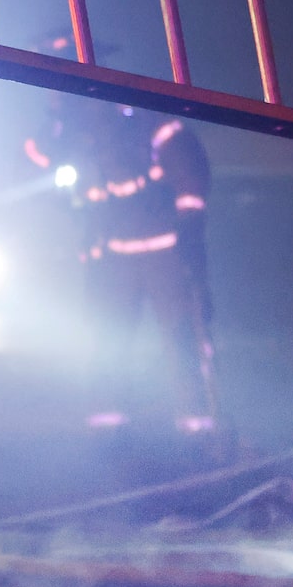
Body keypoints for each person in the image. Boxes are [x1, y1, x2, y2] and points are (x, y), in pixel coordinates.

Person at [60, 104, 217, 441]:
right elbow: (91, 205)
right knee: (116, 338)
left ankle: (196, 423)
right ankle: (112, 421)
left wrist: (188, 233)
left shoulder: (158, 133)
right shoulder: (92, 143)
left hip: (163, 253)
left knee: (179, 336)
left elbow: (190, 187)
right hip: (129, 256)